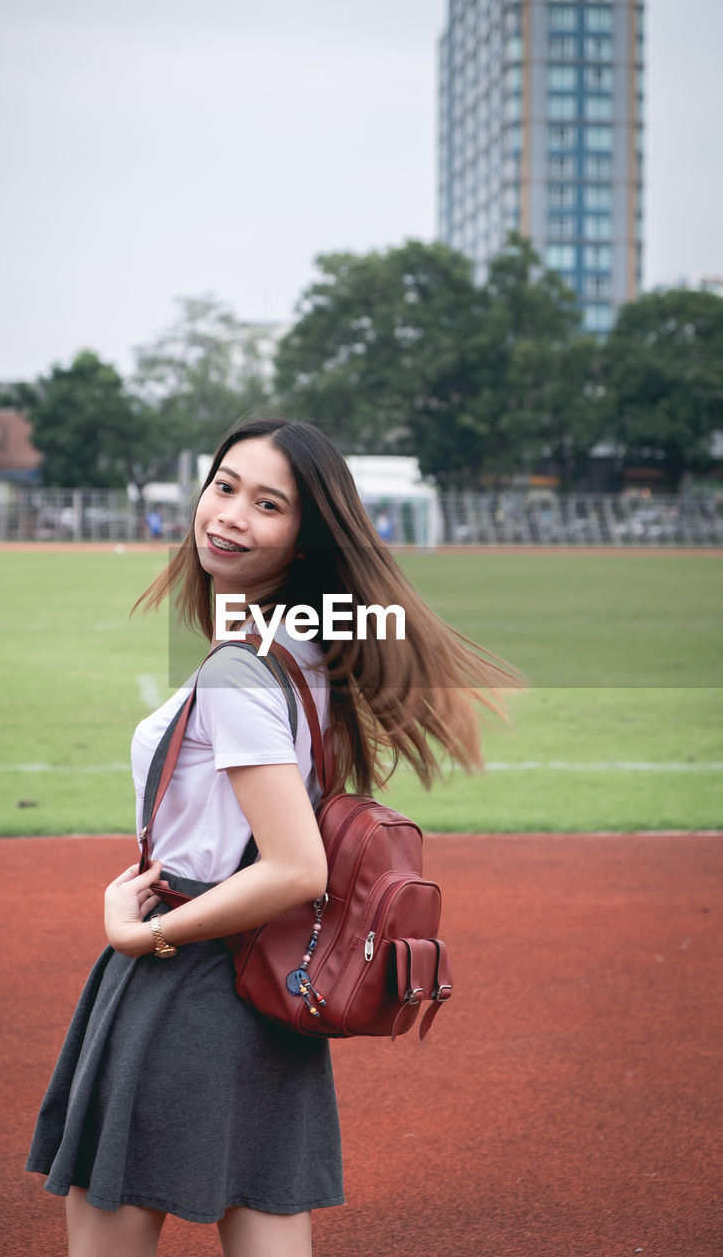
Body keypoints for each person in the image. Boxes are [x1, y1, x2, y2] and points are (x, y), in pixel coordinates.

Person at [26, 418, 520, 1256]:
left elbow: (297, 867)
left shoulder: (240, 669)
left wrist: (141, 933)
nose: (228, 515)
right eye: (223, 486)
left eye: (267, 504)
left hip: (187, 977)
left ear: (303, 538)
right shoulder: (307, 650)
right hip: (270, 986)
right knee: (267, 1223)